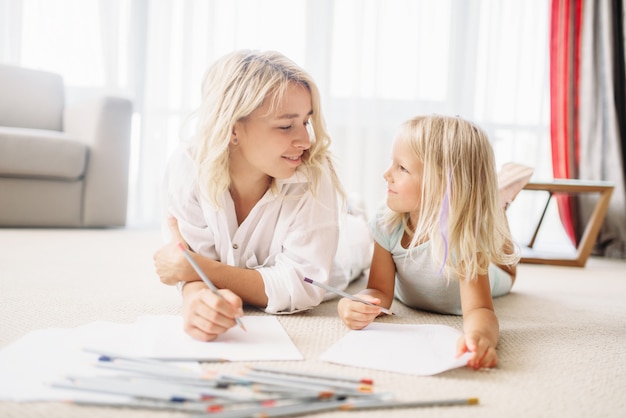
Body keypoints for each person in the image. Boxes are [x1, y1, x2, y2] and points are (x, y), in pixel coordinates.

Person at [153, 49, 371, 342]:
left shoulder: (314, 172)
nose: (306, 141)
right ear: (232, 129)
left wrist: (197, 270)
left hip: (343, 247)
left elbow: (305, 286)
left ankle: (354, 210)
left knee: (359, 233)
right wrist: (195, 300)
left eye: (306, 122)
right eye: (285, 125)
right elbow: (192, 267)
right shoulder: (188, 166)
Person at [337, 114, 520, 370]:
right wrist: (354, 302)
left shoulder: (466, 239)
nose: (386, 174)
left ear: (442, 185)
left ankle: (499, 202)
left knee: (505, 258)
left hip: (495, 270)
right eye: (393, 163)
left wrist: (481, 337)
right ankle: (496, 200)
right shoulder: (386, 222)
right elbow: (379, 291)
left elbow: (479, 309)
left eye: (402, 168)